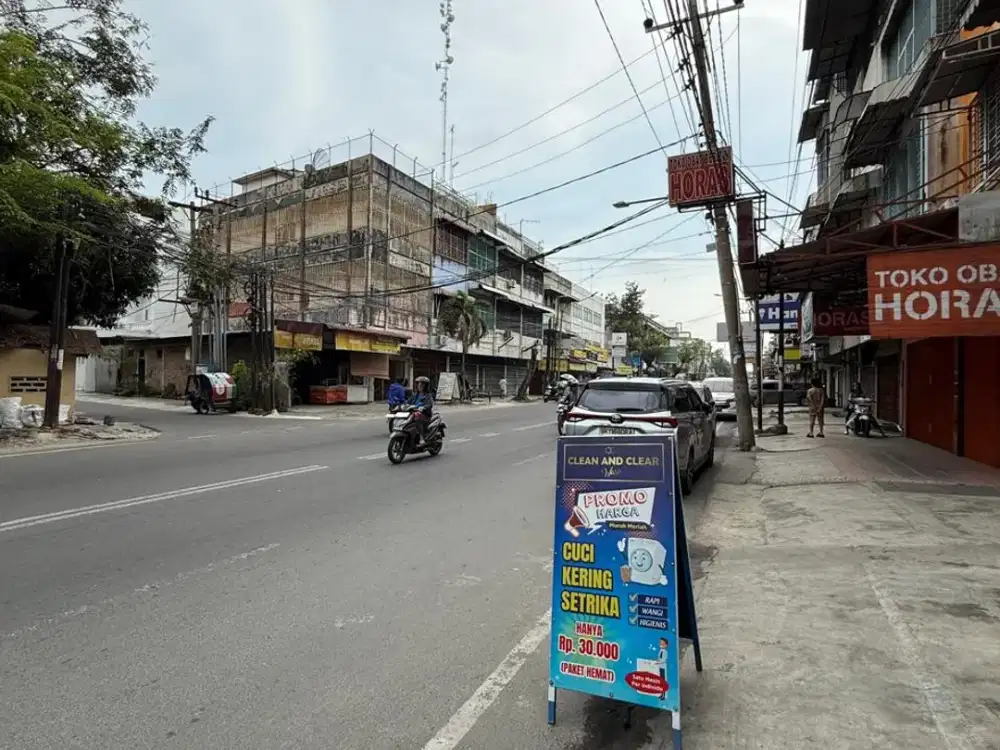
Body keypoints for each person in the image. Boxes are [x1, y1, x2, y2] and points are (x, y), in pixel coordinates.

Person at [411, 375, 435, 447]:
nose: (420, 385)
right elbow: (408, 402)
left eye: (422, 384)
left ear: (426, 386)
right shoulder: (415, 395)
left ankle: (422, 437)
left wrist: (423, 407)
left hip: (425, 415)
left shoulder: (428, 395)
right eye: (418, 384)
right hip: (413, 413)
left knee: (417, 418)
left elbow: (430, 404)